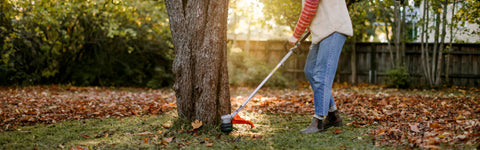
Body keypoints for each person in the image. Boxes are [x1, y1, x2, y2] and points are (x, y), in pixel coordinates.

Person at [288, 0, 353, 134]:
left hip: (334, 29)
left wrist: (296, 35)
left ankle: (318, 121)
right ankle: (333, 114)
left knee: (321, 74)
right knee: (310, 70)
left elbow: (310, 7)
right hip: (323, 31)